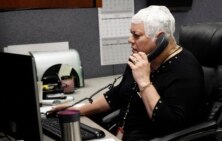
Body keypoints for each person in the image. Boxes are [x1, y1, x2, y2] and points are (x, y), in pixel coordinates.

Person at [48, 5, 207, 141]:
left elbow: (169, 126)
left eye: (136, 35)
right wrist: (75, 109)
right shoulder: (142, 60)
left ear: (160, 39)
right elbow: (117, 95)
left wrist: (144, 82)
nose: (130, 40)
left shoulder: (185, 70)